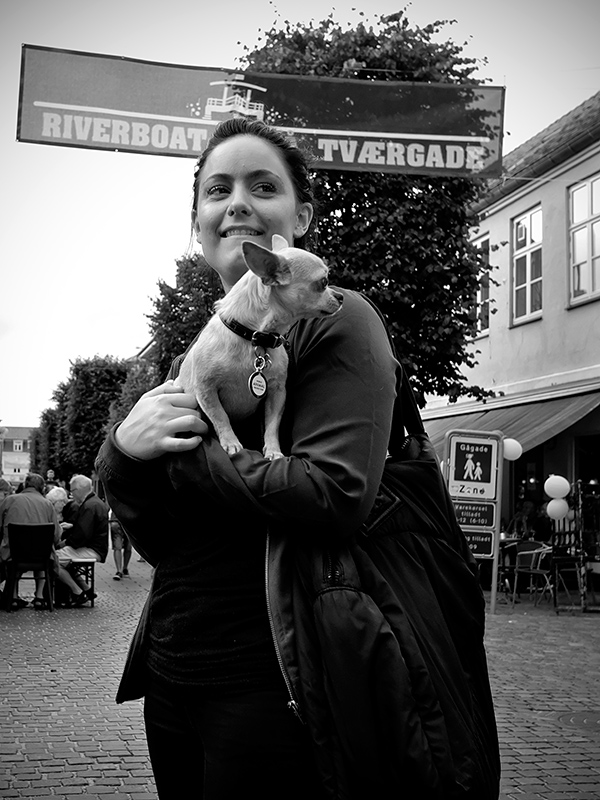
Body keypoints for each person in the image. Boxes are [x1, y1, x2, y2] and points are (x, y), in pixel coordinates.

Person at [96, 118, 499, 799]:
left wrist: (176, 459)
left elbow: (334, 494)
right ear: (198, 224)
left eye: (263, 186)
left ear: (300, 217)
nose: (238, 203)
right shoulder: (201, 353)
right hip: (175, 673)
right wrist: (121, 456)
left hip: (281, 678)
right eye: (217, 189)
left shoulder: (337, 317)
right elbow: (167, 537)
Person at [0, 472, 62, 609]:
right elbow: (56, 535)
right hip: (41, 558)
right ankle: (39, 597)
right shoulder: (47, 504)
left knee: (15, 554)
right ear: (42, 488)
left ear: (25, 485)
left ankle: (14, 597)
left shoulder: (9, 500)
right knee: (41, 549)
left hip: (13, 556)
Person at [56, 474, 108, 607]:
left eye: (72, 491)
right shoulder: (95, 502)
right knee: (66, 560)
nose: (71, 496)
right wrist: (73, 526)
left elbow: (82, 536)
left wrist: (64, 543)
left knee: (53, 559)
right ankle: (86, 589)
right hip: (97, 547)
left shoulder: (89, 506)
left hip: (92, 549)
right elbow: (90, 527)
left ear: (79, 490)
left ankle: (77, 592)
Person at [109, 507, 132, 580]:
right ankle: (122, 569)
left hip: (121, 521)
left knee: (123, 547)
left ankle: (121, 569)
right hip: (124, 520)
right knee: (123, 547)